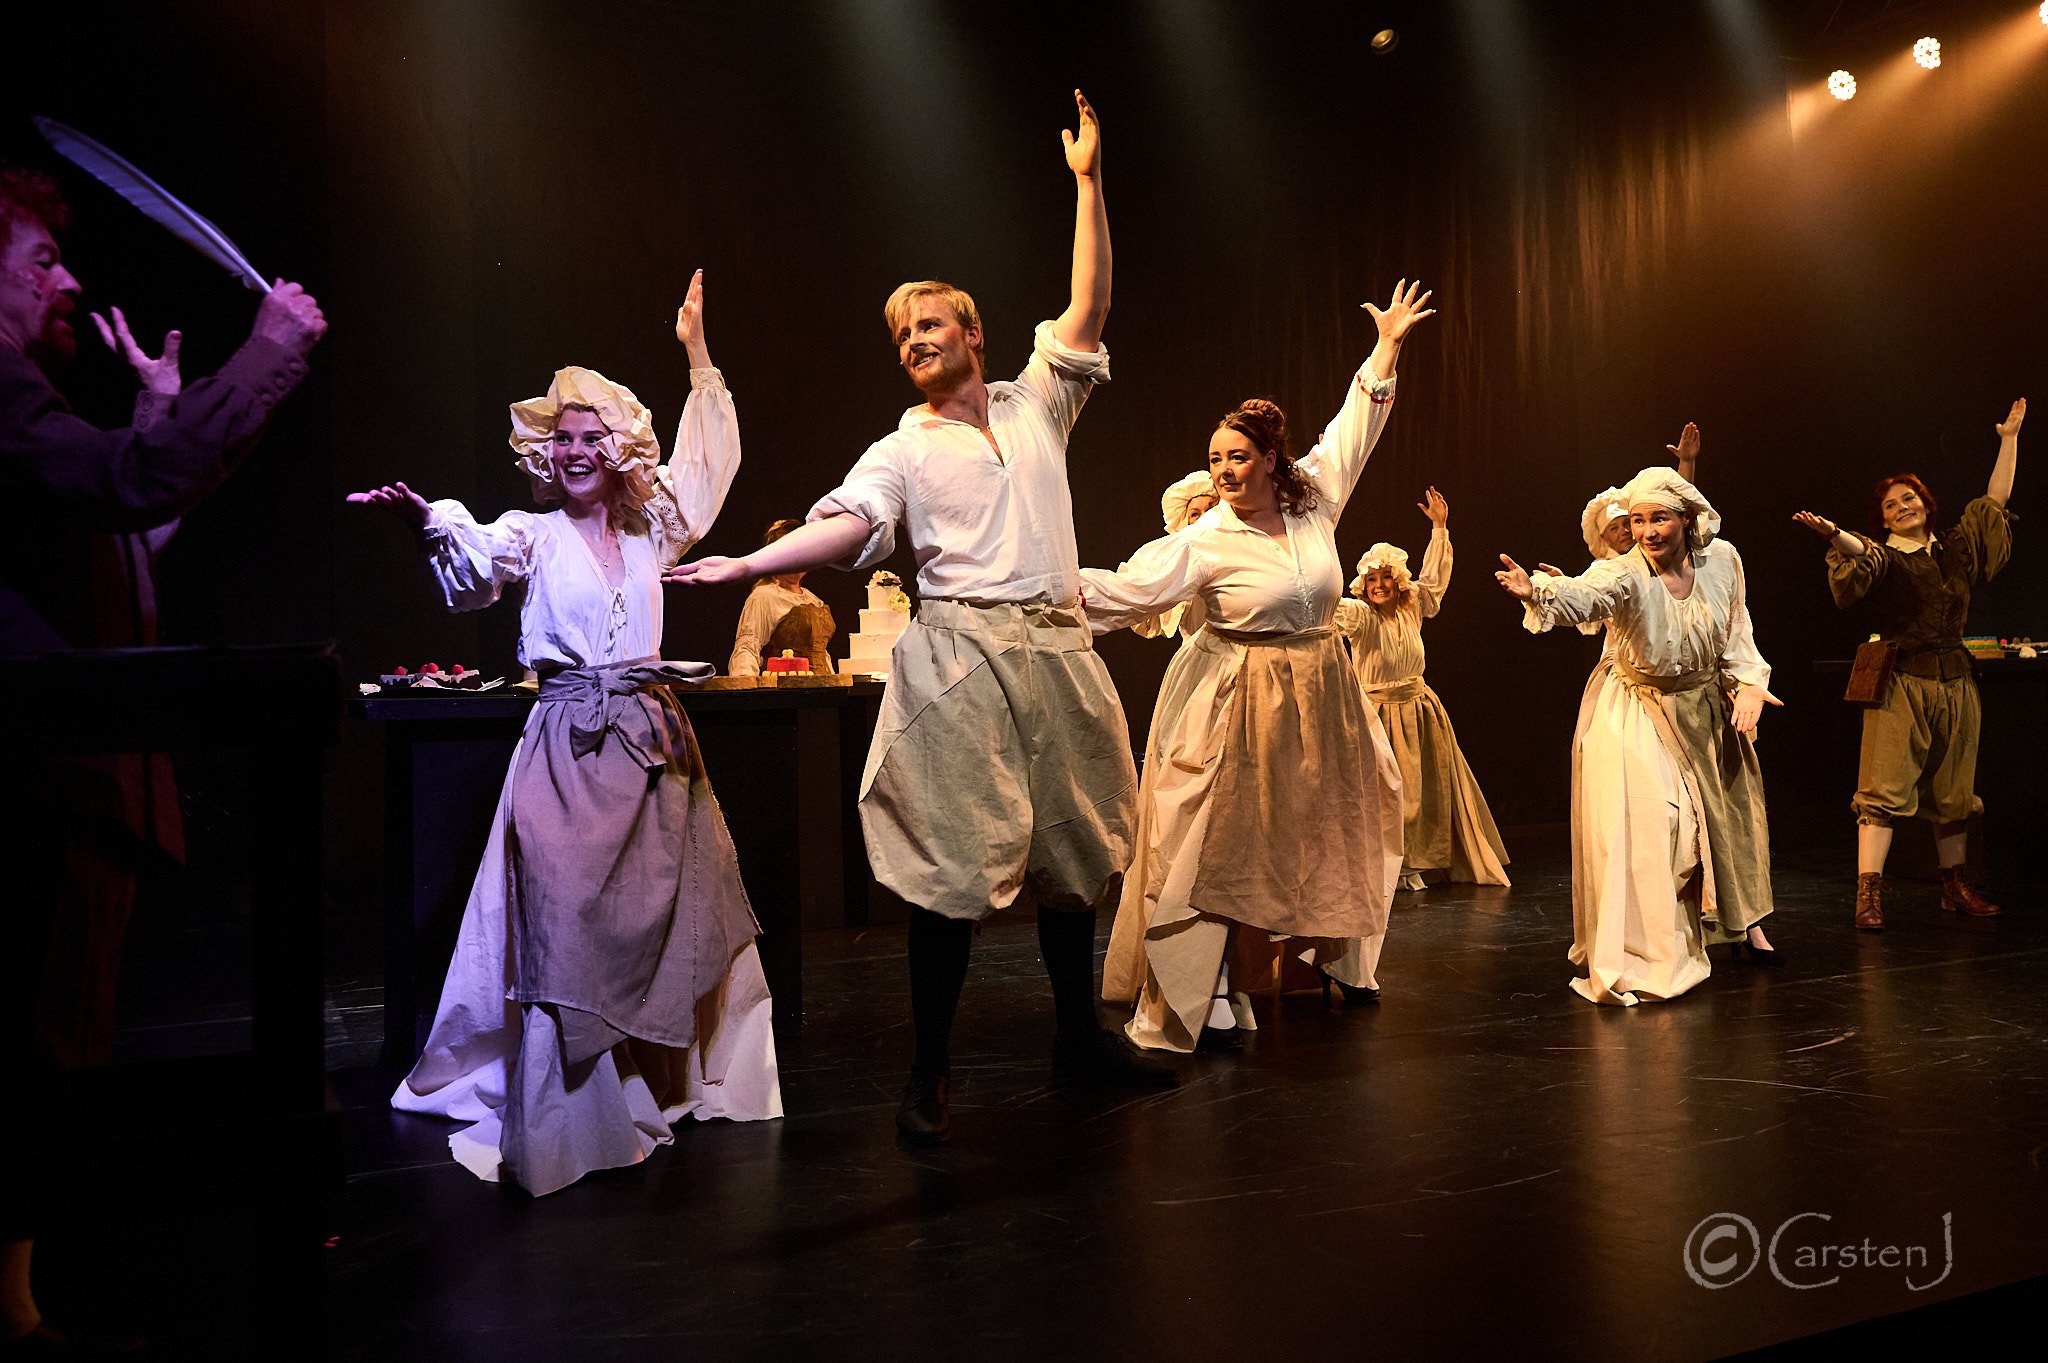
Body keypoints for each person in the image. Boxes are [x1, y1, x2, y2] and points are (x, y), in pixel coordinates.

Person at [670, 92, 1168, 1144]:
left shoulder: (1037, 402)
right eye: (900, 333)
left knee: (1075, 858)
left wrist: (1084, 182)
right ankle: (929, 1072)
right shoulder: (900, 448)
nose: (912, 341)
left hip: (1056, 647)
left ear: (975, 334)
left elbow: (1090, 302)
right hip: (960, 656)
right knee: (949, 868)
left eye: (929, 324)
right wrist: (750, 564)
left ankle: (1076, 1038)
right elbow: (847, 521)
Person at [352, 273, 780, 1195]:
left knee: (674, 918)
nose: (578, 451)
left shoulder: (651, 530)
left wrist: (698, 353)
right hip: (565, 747)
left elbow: (706, 474)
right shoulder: (531, 533)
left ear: (622, 448)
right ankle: (567, 1117)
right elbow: (471, 572)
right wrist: (430, 519)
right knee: (564, 922)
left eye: (595, 438)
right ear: (548, 456)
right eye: (565, 440)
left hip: (658, 746)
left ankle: (669, 1078)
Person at [0, 162, 325, 1350]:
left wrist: (159, 417)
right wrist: (267, 348)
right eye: (39, 260)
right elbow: (132, 486)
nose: (69, 278)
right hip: (43, 780)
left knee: (61, 1042)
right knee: (37, 1046)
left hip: (81, 777)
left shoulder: (32, 399)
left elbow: (132, 526)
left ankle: (22, 1278)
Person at [1077, 280, 1432, 1052]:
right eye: (1214, 460)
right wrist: (1046, 587)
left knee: (1324, 828)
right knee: (1212, 842)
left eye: (1237, 456)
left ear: (1271, 458)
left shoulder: (1312, 505)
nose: (1224, 471)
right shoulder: (1207, 539)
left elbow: (1353, 431)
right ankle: (1201, 987)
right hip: (1235, 694)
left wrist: (1387, 346)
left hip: (1321, 693)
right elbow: (1130, 587)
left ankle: (1276, 973)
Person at [1497, 467, 1781, 1006]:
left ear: (1687, 520)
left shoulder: (1722, 561)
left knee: (1715, 830)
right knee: (1657, 831)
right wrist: (1538, 591)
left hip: (1701, 709)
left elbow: (1738, 628)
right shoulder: (1627, 573)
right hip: (1637, 711)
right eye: (1640, 521)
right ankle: (1649, 953)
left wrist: (1749, 682)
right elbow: (1585, 595)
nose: (1647, 532)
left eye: (1659, 519)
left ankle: (1731, 927)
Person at [1791, 399, 2023, 929]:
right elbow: (1861, 553)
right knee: (1882, 789)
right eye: (1892, 505)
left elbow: (1994, 501)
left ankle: (1954, 887)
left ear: (1925, 502)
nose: (1902, 507)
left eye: (1909, 498)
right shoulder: (1883, 556)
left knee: (1954, 792)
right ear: (1883, 519)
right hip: (1901, 683)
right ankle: (1868, 894)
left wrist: (2008, 439)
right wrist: (1833, 534)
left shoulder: (1957, 550)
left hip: (1957, 681)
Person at [1335, 486, 1511, 890]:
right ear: (1363, 586)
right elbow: (1330, 608)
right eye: (1372, 580)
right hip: (1376, 713)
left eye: (1386, 578)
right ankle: (1385, 867)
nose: (1379, 585)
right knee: (1383, 794)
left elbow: (1432, 583)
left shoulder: (1412, 607)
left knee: (1423, 791)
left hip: (1417, 707)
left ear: (1398, 582)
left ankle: (1416, 863)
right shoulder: (1361, 616)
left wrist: (1439, 529)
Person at [727, 517, 835, 676]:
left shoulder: (813, 599)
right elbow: (748, 647)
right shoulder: (764, 597)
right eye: (793, 556)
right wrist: (746, 692)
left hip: (820, 687)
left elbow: (821, 654)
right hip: (785, 689)